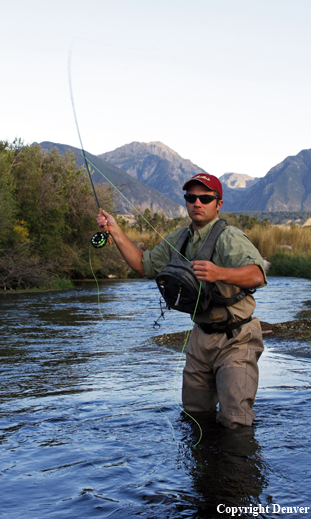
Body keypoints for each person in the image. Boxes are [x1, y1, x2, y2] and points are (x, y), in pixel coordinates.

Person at [96, 173, 267, 429]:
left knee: (236, 420)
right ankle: (203, 468)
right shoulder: (179, 238)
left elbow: (257, 274)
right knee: (194, 416)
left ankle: (237, 468)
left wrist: (219, 272)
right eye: (191, 197)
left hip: (236, 337)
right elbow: (143, 265)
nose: (197, 203)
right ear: (186, 201)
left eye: (205, 198)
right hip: (199, 337)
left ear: (218, 204)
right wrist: (115, 230)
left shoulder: (229, 237)